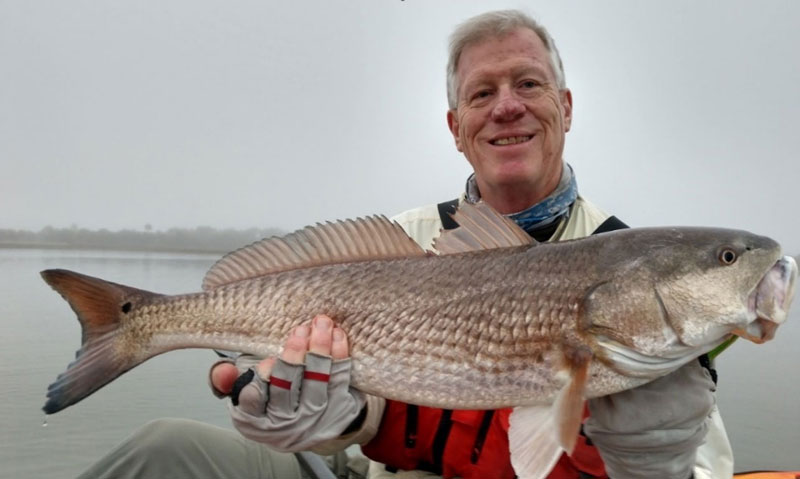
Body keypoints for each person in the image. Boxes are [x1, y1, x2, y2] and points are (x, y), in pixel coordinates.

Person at [78, 10, 734, 479]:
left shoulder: (635, 263)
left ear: (566, 105)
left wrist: (656, 461)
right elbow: (348, 428)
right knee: (162, 450)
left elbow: (705, 463)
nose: (507, 106)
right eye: (483, 92)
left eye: (528, 84)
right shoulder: (403, 244)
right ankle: (136, 326)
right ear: (456, 126)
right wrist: (328, 418)